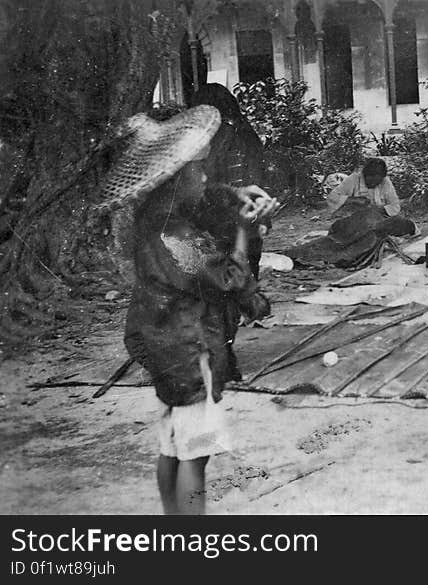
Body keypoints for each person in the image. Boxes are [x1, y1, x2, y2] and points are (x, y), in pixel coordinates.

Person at [100, 106, 279, 514]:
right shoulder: (177, 239)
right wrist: (245, 229)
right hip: (189, 353)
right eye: (198, 172)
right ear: (174, 179)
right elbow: (229, 278)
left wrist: (233, 195)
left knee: (172, 446)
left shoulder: (154, 219)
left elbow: (204, 197)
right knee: (195, 456)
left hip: (165, 351)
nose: (204, 178)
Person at [191, 83, 268, 279]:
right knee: (249, 267)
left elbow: (207, 177)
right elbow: (259, 176)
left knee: (226, 271)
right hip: (252, 211)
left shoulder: (218, 134)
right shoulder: (247, 131)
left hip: (224, 215)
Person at [326, 157, 401, 217]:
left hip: (377, 217)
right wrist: (352, 200)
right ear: (364, 175)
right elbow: (332, 197)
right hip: (352, 218)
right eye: (370, 180)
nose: (373, 184)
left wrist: (377, 209)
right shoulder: (354, 178)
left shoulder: (385, 182)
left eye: (376, 182)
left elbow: (395, 205)